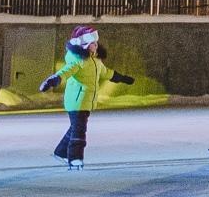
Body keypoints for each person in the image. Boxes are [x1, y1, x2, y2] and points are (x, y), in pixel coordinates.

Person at [39, 26, 136, 169]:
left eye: (96, 43)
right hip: (77, 101)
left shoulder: (95, 61)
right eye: (92, 43)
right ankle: (75, 158)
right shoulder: (78, 61)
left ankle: (61, 152)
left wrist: (122, 78)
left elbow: (106, 73)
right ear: (84, 45)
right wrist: (53, 80)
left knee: (75, 128)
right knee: (79, 130)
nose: (96, 46)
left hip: (86, 101)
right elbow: (66, 71)